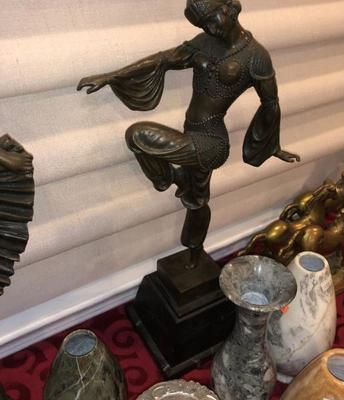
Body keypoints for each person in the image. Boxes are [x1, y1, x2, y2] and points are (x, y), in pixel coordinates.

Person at [78, 0, 300, 261]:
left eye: (212, 19)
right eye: (203, 24)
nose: (210, 28)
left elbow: (270, 102)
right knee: (197, 201)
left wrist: (271, 146)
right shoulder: (203, 43)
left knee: (137, 135)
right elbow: (163, 59)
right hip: (191, 132)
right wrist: (111, 76)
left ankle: (170, 178)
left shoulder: (256, 56)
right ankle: (194, 251)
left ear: (229, 9)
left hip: (212, 141)